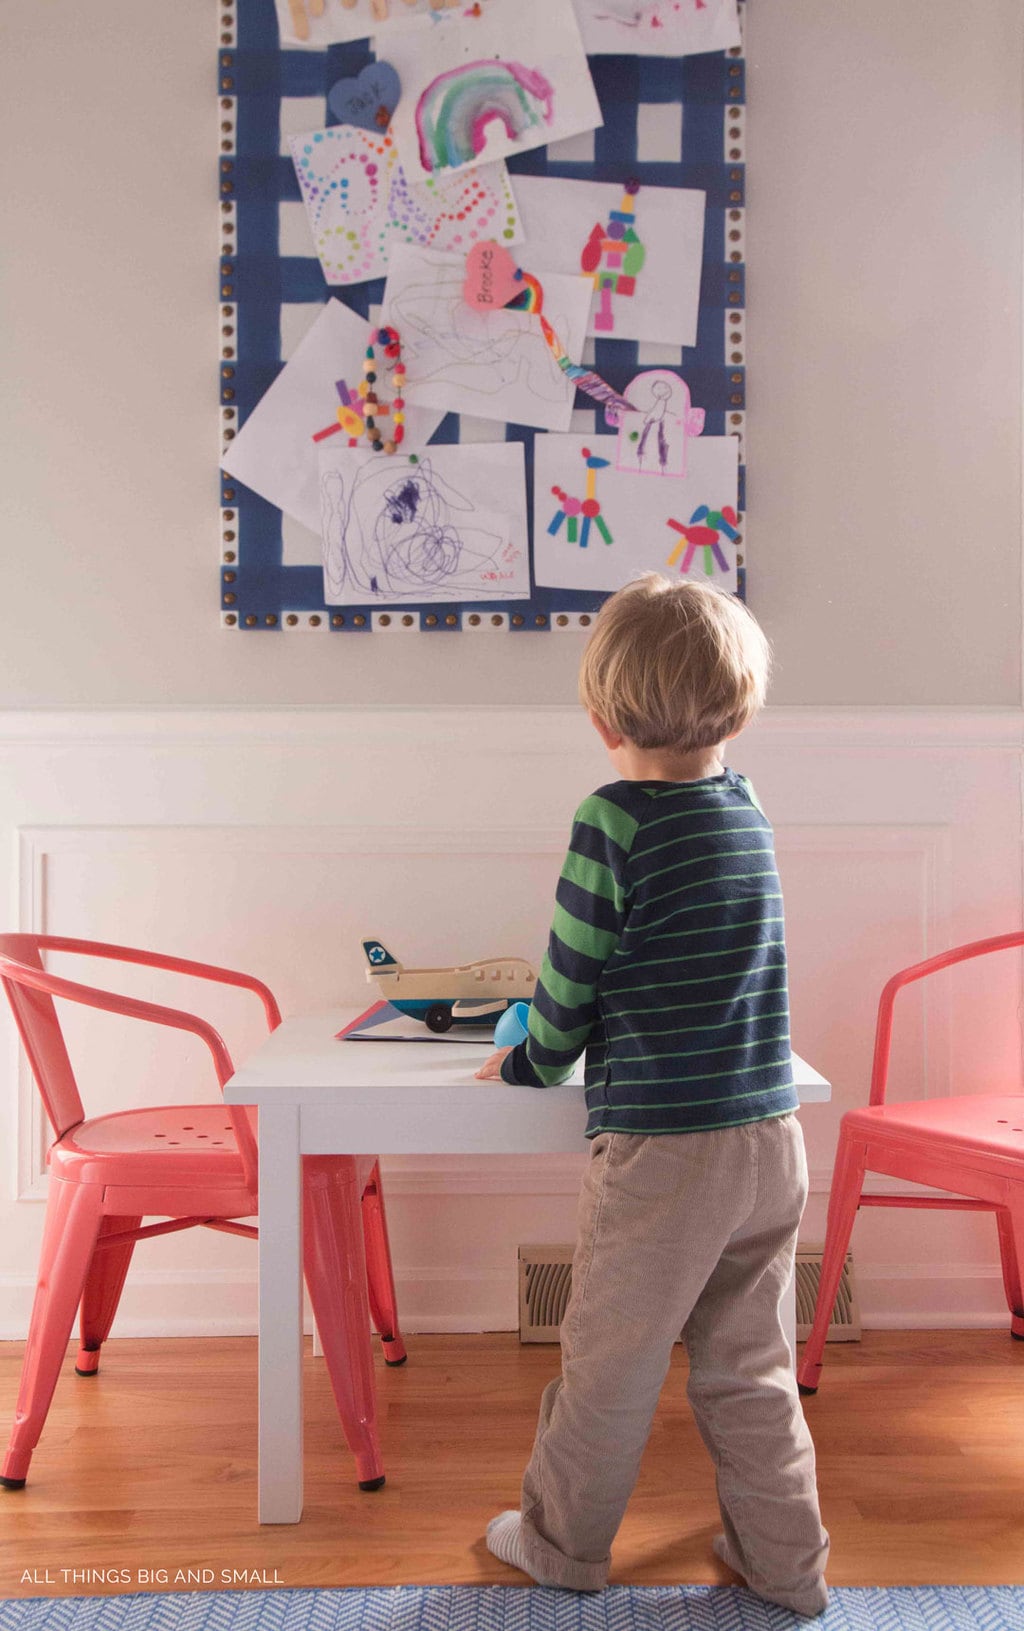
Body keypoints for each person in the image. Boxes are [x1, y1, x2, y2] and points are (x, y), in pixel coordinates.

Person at [475, 574, 829, 1617]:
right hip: (769, 1135)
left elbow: (568, 978)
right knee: (750, 1367)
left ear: (599, 715)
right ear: (741, 703)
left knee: (609, 1366)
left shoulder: (612, 818)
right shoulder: (745, 807)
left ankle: (560, 1545)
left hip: (667, 1152)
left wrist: (529, 1062)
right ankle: (787, 1565)